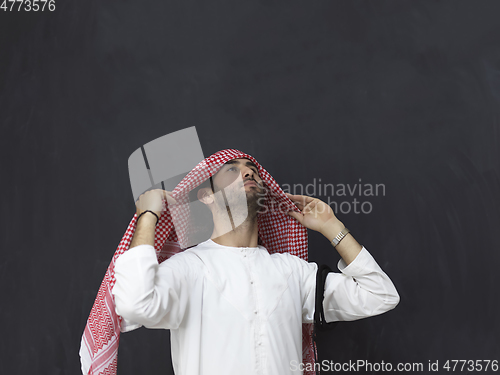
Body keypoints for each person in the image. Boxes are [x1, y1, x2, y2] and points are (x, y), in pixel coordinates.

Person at [108, 150, 400, 375]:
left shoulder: (292, 272)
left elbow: (379, 295)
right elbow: (135, 303)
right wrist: (149, 216)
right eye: (232, 169)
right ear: (207, 196)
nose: (248, 173)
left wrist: (330, 225)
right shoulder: (189, 269)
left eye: (253, 171)